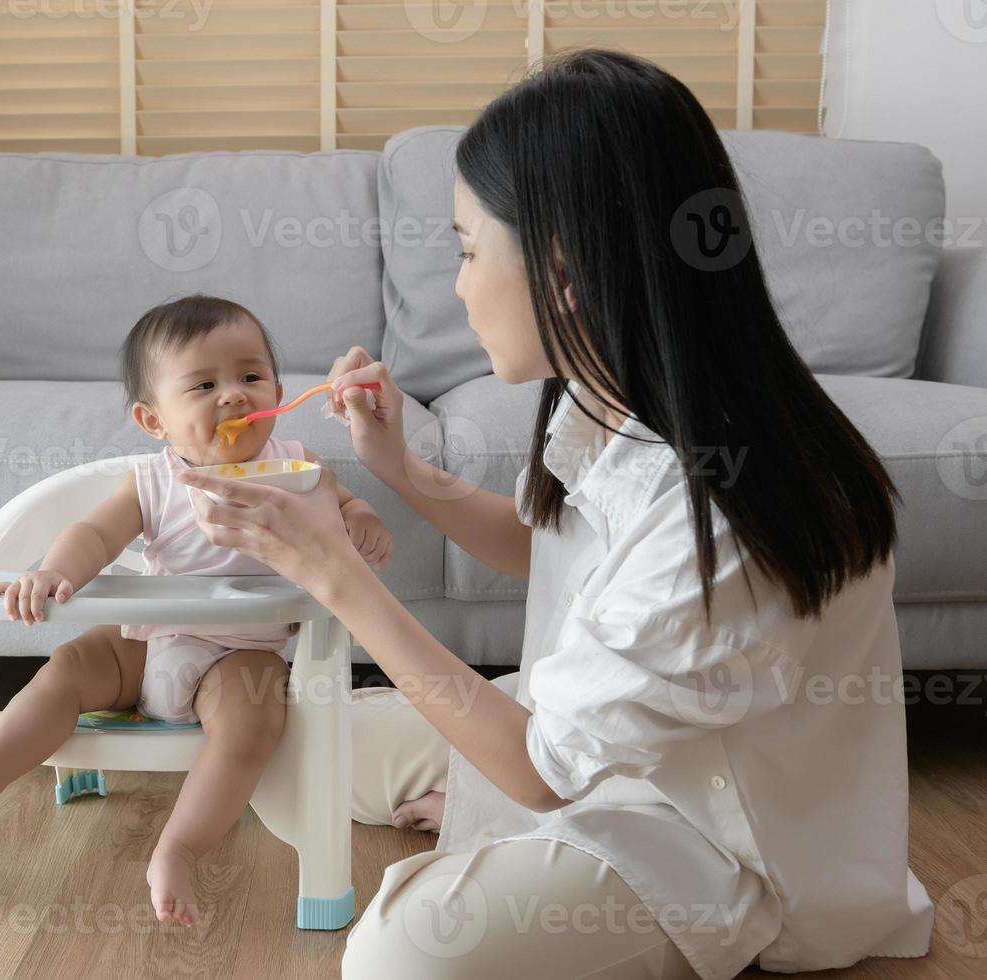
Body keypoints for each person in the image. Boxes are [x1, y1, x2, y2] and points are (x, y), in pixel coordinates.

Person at [177, 50, 934, 979]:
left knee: (401, 958)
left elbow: (540, 769)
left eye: (465, 248)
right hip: (593, 747)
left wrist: (334, 572)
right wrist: (401, 470)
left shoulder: (722, 505)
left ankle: (549, 863)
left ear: (564, 265)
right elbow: (558, 556)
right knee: (289, 749)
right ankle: (495, 807)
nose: (456, 286)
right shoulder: (614, 400)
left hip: (717, 853)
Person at [0, 294, 392, 929]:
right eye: (204, 384)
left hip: (244, 654)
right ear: (153, 419)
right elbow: (96, 535)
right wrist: (56, 571)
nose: (234, 396)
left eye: (251, 376)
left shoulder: (294, 467)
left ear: (277, 387)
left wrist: (362, 520)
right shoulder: (151, 481)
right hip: (148, 644)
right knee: (73, 662)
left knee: (250, 724)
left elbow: (346, 505)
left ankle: (179, 848)